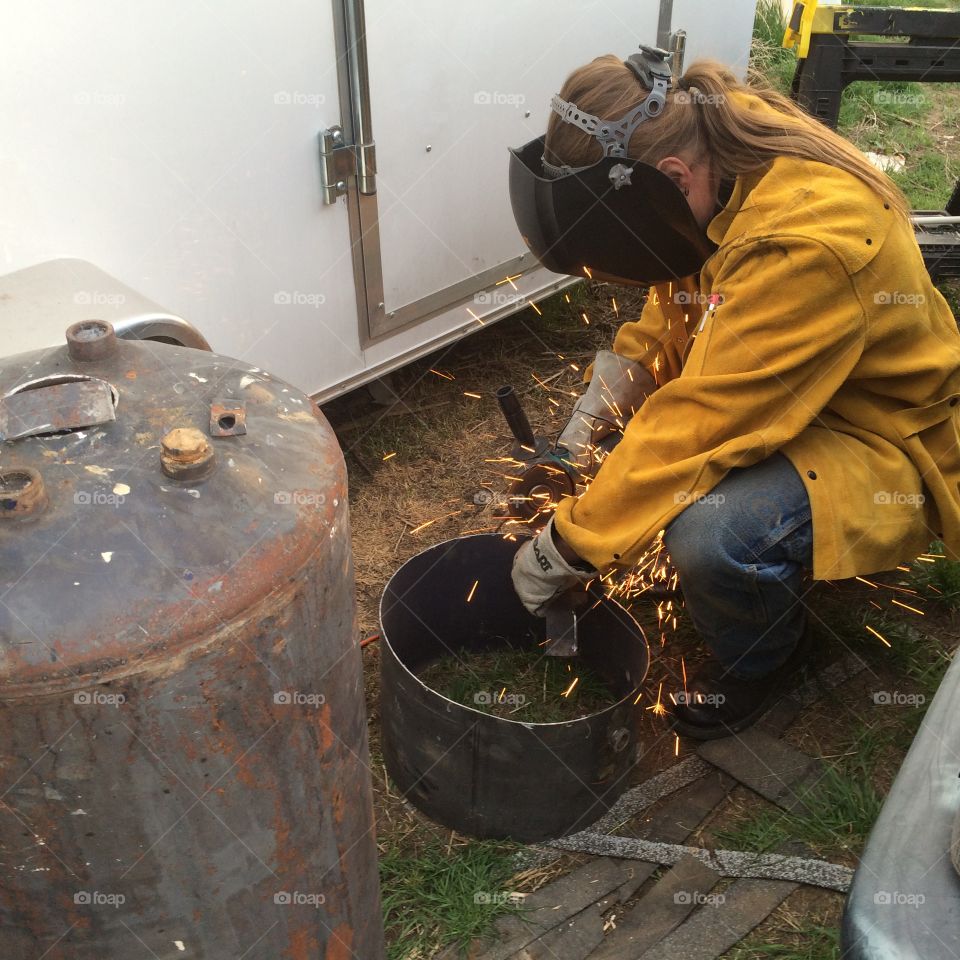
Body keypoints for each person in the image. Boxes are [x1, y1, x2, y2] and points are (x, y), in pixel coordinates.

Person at [508, 45, 960, 739]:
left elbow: (703, 421)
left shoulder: (804, 243)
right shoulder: (708, 148)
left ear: (670, 178)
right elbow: (672, 315)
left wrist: (566, 546)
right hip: (790, 393)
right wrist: (589, 429)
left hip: (881, 436)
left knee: (710, 529)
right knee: (642, 458)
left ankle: (765, 662)